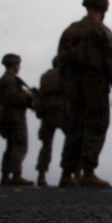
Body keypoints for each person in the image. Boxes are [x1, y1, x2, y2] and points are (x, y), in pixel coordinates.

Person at [56, 0, 112, 188]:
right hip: (95, 84)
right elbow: (111, 60)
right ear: (104, 8)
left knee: (74, 126)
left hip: (72, 84)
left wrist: (63, 86)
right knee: (96, 124)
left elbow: (61, 62)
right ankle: (88, 172)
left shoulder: (71, 30)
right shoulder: (101, 31)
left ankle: (67, 173)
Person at [0, 53, 34, 186]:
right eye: (18, 64)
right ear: (14, 65)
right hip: (15, 116)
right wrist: (27, 96)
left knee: (11, 146)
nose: (19, 67)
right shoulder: (9, 80)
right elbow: (13, 98)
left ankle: (6, 176)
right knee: (20, 144)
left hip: (10, 116)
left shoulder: (7, 79)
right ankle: (16, 175)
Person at [33, 58, 66, 187]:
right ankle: (69, 174)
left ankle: (41, 174)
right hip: (64, 110)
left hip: (47, 111)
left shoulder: (45, 76)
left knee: (46, 146)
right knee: (71, 143)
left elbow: (41, 94)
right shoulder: (65, 75)